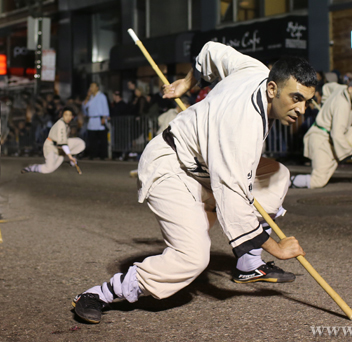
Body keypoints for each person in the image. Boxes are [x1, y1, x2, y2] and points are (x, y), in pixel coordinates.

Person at [72, 42, 315, 324]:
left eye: (307, 101)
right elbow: (236, 205)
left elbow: (211, 51)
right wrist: (279, 248)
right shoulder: (241, 129)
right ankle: (98, 294)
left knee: (277, 176)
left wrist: (186, 83)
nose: (302, 109)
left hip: (203, 165)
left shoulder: (255, 70)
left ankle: (248, 264)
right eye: (295, 98)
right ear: (272, 88)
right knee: (194, 257)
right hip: (169, 165)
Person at [289, 79, 352, 189]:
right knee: (318, 181)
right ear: (350, 89)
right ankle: (287, 182)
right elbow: (337, 134)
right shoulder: (342, 106)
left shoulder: (341, 88)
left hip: (334, 134)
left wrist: (325, 102)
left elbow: (327, 87)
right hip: (321, 138)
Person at [21, 107, 85, 174]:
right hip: (51, 146)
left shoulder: (67, 125)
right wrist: (70, 156)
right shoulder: (61, 124)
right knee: (49, 169)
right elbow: (62, 144)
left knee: (80, 143)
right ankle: (31, 168)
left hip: (59, 147)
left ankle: (66, 158)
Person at [82, 83, 110, 160]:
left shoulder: (102, 96)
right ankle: (93, 154)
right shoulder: (90, 97)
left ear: (97, 87)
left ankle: (103, 155)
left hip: (99, 118)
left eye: (93, 86)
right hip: (92, 119)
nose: (91, 88)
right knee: (92, 138)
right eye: (90, 86)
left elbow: (105, 107)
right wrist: (88, 96)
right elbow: (84, 106)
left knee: (102, 138)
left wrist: (104, 117)